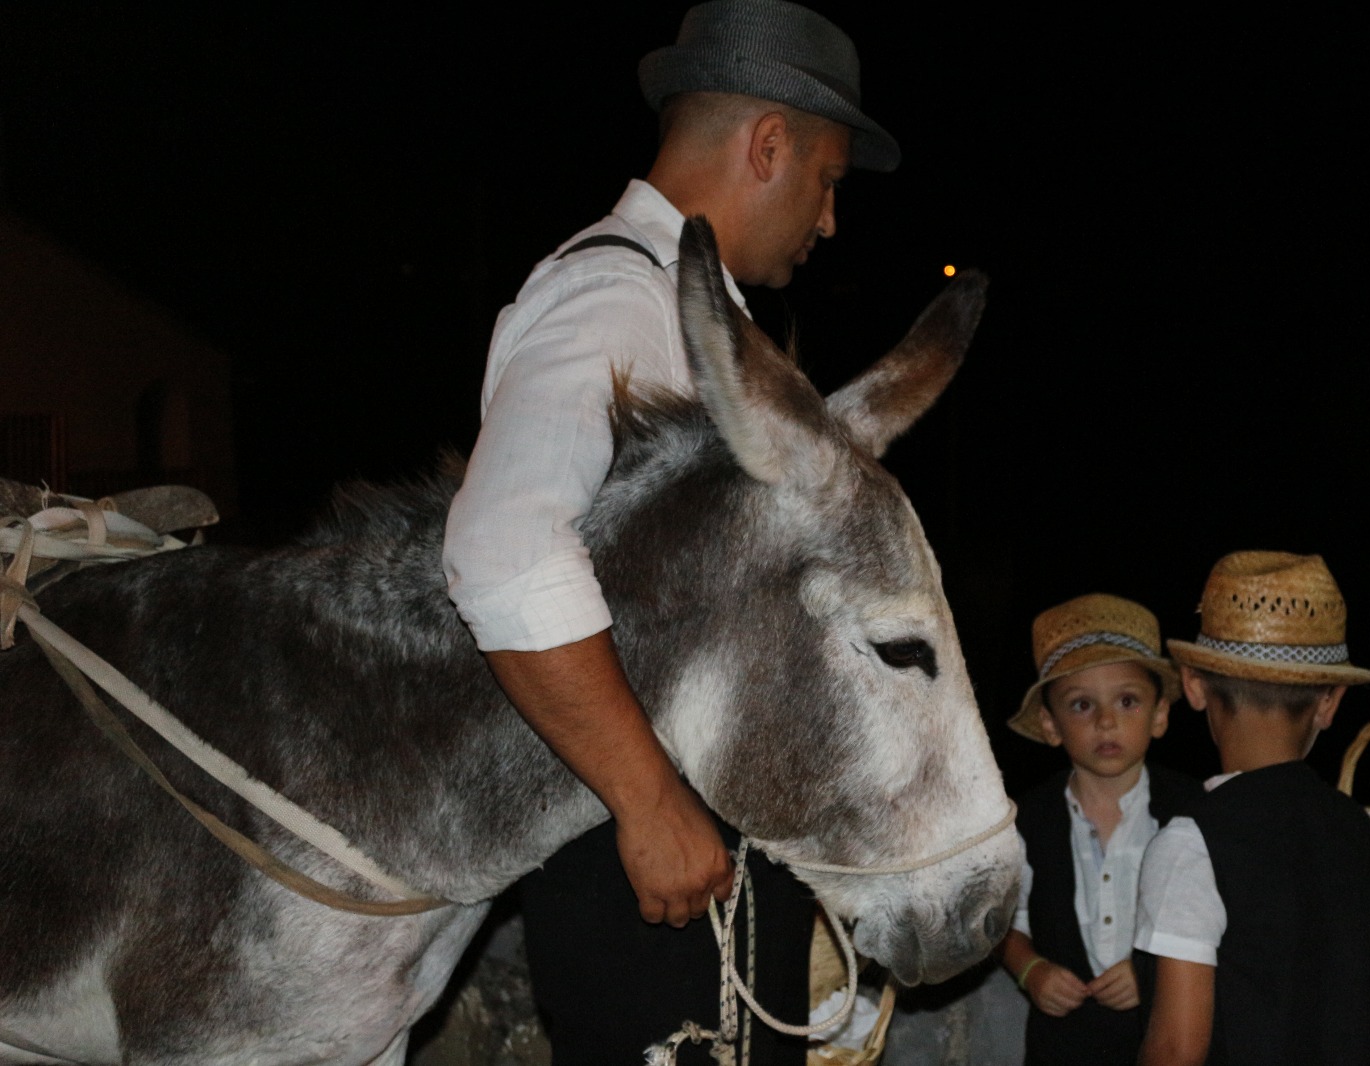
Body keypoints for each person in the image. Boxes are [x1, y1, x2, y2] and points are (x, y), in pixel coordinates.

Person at [440, 1, 900, 1060]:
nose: (829, 220)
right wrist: (648, 802)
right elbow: (503, 545)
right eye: (827, 180)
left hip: (703, 840)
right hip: (640, 849)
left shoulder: (694, 312)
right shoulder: (616, 294)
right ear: (768, 145)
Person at [1133, 551, 1370, 1066]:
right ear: (1329, 702)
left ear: (1194, 685)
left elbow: (1177, 1049)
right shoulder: (1355, 829)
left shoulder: (1192, 844)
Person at [997, 594, 1204, 1065]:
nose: (1106, 721)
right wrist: (1030, 970)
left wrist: (1153, 972)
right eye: (1082, 705)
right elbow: (1005, 924)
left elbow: (1232, 920)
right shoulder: (1026, 820)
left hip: (1168, 1038)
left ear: (1159, 715)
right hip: (1062, 1050)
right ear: (1051, 725)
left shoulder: (1195, 812)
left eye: (1127, 701)